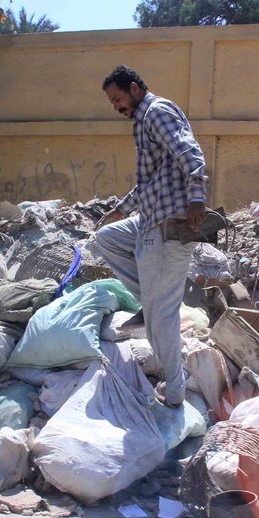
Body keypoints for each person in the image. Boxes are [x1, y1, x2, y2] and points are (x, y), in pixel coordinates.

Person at [95, 65, 209, 407]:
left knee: (162, 318)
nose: (116, 106)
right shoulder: (143, 120)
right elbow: (151, 182)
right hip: (149, 220)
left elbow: (191, 154)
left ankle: (175, 392)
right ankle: (151, 300)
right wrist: (121, 210)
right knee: (108, 238)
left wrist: (197, 198)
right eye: (112, 102)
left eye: (118, 98)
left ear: (134, 88)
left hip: (169, 225)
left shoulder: (157, 112)